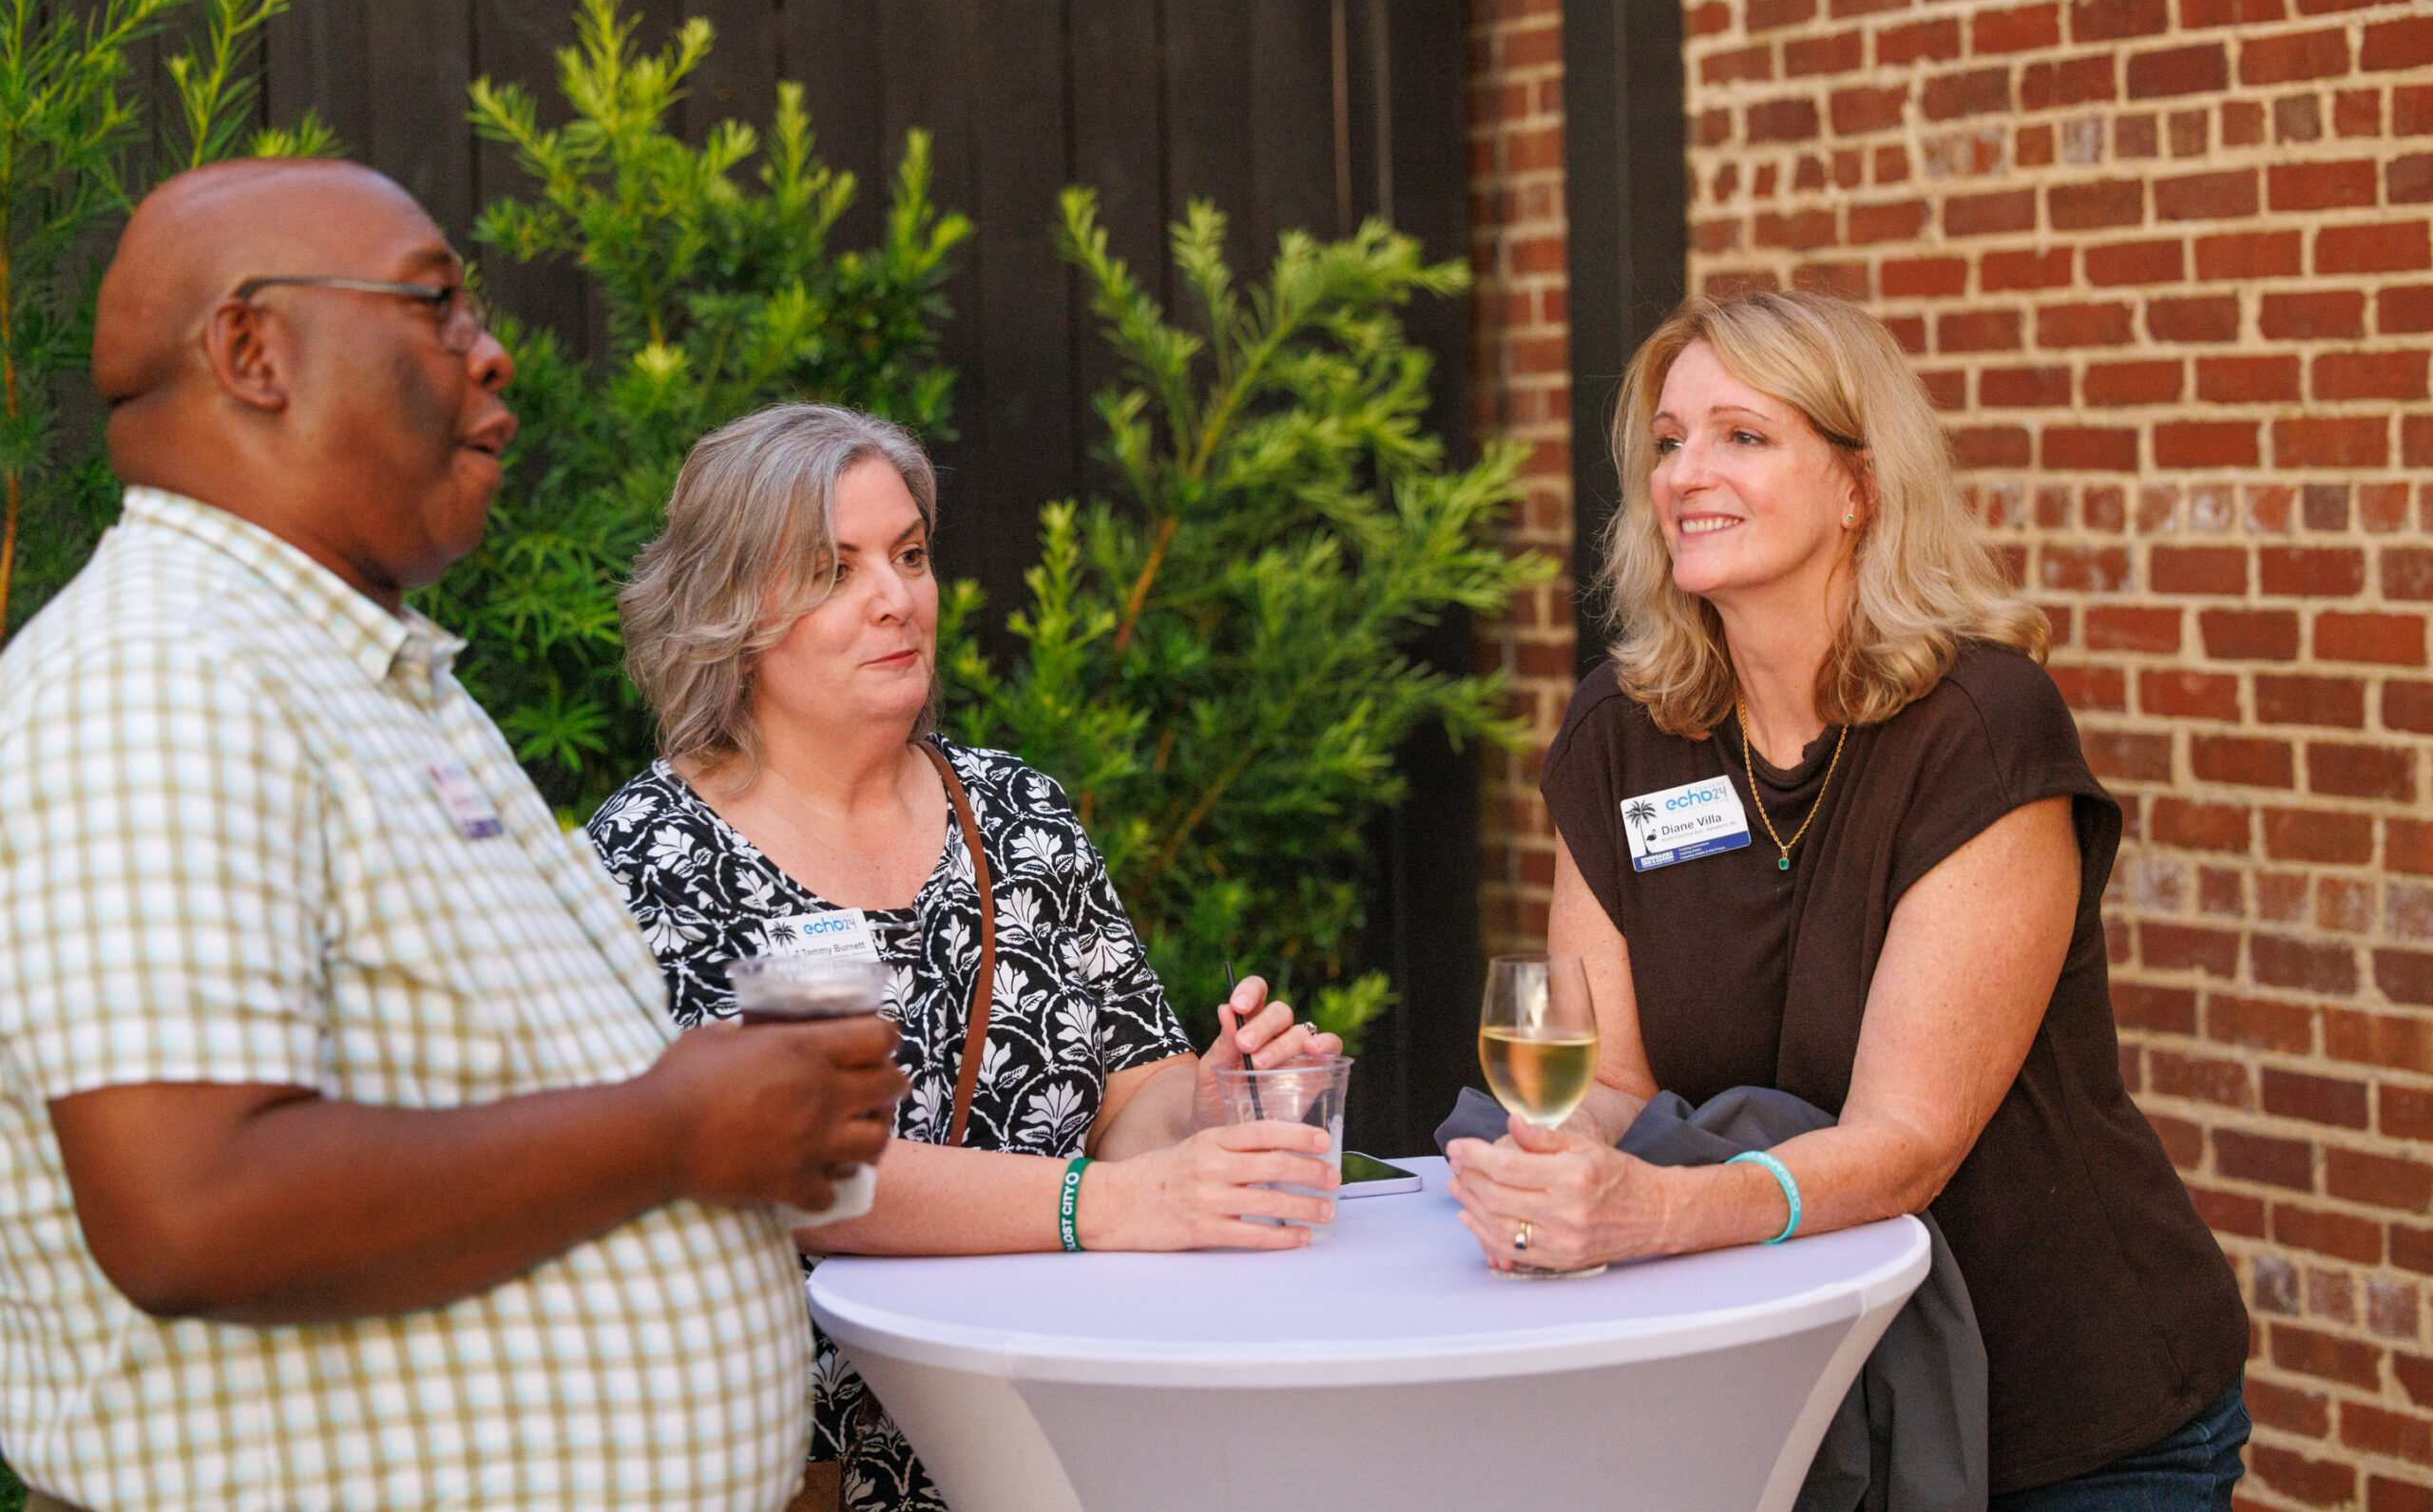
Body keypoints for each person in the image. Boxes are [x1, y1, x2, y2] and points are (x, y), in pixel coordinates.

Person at [0, 159, 907, 1512]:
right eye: (436, 307)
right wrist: (670, 1128)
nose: (494, 357)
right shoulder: (161, 674)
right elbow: (192, 1205)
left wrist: (738, 1116)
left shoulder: (370, 682)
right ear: (252, 350)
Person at [1444, 291, 2251, 1509]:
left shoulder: (1978, 727)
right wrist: (1551, 1171)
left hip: (2066, 1421)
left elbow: (1903, 1144)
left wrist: (1650, 1214)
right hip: (1784, 1407)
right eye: (1667, 443)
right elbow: (1608, 1077)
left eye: (1741, 437)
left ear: (1859, 487)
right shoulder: (1623, 733)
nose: (1685, 474)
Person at [587, 402, 1343, 1512]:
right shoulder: (656, 854)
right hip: (799, 1466)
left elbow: (1129, 1088)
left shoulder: (1017, 812)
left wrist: (1205, 1105)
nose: (895, 597)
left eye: (908, 554)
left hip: (1056, 1434)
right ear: (731, 610)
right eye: (832, 569)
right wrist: (1119, 1205)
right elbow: (808, 1179)